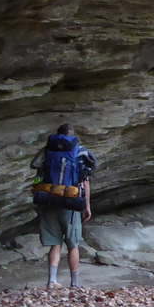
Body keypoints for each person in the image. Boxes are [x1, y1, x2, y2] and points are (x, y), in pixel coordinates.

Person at [30, 122, 96, 288]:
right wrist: (86, 206)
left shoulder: (47, 151)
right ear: (73, 136)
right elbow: (85, 181)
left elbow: (36, 169)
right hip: (71, 203)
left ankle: (52, 281)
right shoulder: (80, 151)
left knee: (55, 243)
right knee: (73, 244)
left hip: (49, 199)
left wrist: (38, 199)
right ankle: (74, 283)